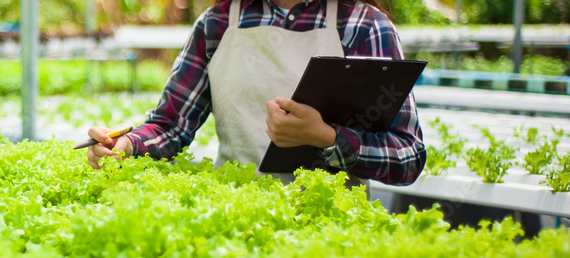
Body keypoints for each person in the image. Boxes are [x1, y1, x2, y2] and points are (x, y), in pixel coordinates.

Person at [85, 0, 425, 186]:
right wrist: (126, 145)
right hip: (235, 222)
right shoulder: (216, 23)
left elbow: (407, 156)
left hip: (330, 232)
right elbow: (170, 124)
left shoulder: (364, 26)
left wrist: (329, 139)